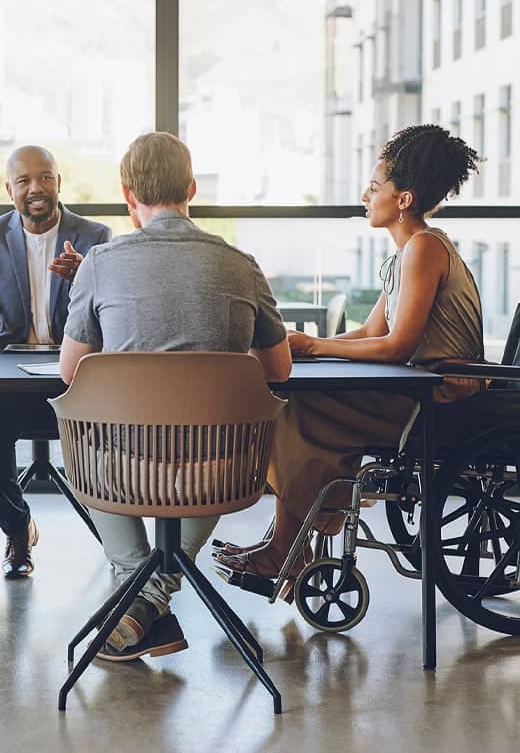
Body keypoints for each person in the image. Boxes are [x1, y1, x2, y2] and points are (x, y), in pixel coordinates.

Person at [215, 124, 485, 583]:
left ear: (404, 199)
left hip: (443, 400)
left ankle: (288, 548)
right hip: (423, 391)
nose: (366, 194)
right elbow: (369, 332)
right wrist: (305, 345)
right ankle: (291, 540)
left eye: (376, 187)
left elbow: (398, 346)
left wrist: (316, 345)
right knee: (299, 401)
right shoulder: (407, 254)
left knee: (298, 407)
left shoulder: (424, 248)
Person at [59, 131, 292, 661]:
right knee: (219, 432)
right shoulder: (242, 264)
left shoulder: (100, 263)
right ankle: (151, 596)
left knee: (78, 416)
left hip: (121, 470)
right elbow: (278, 368)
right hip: (222, 469)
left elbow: (71, 371)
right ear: (191, 187)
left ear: (126, 194)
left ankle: (135, 583)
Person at [0, 145, 111, 578]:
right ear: (10, 190)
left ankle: (119, 536)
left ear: (59, 182)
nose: (36, 189)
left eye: (45, 178)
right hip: (12, 375)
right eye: (24, 181)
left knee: (116, 423)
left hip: (77, 375)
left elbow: (116, 313)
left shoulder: (95, 238)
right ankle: (17, 527)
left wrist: (87, 276)